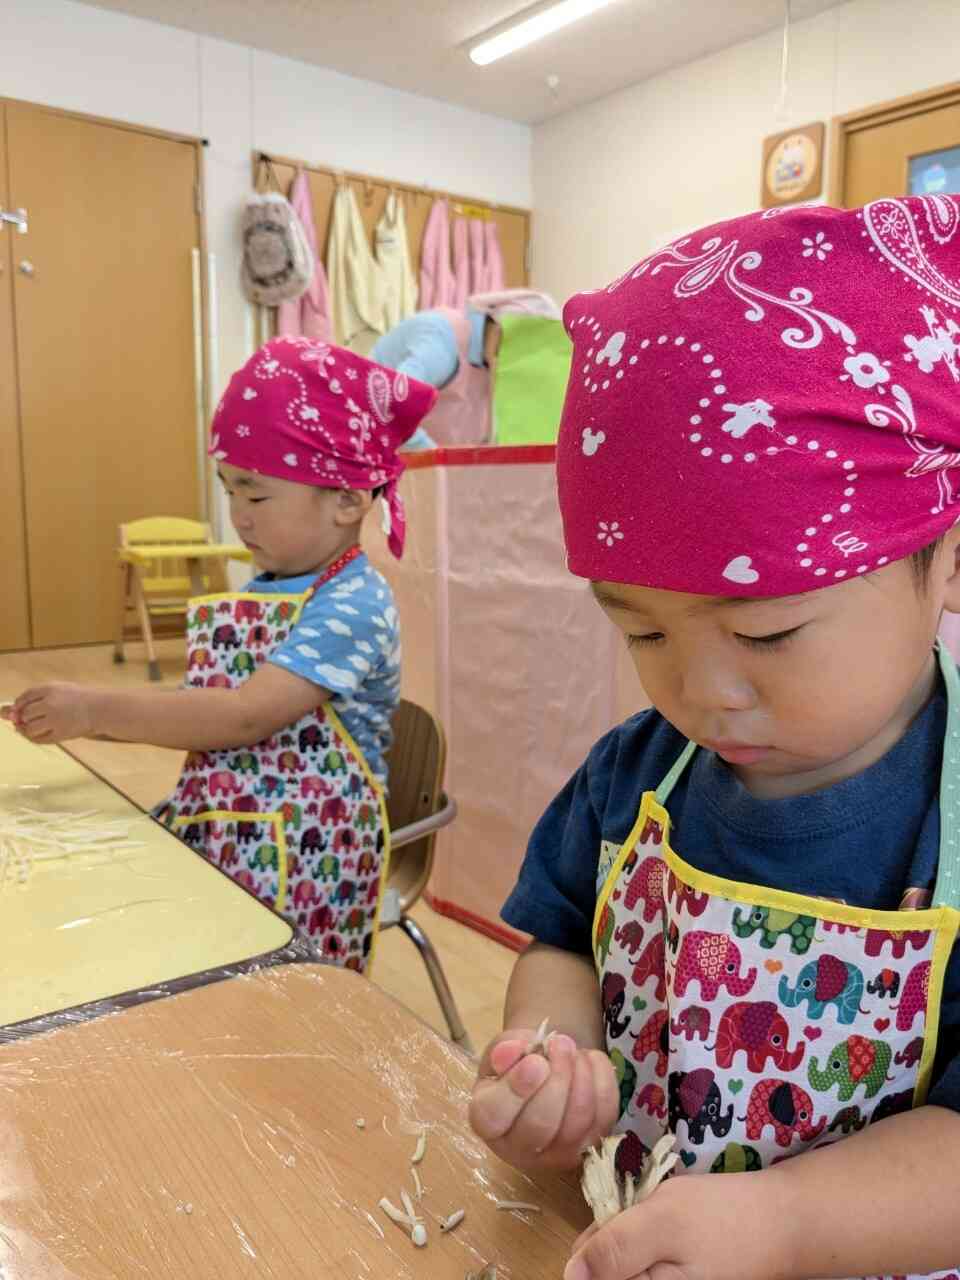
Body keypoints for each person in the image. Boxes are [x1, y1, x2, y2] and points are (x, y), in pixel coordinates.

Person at [468, 196, 960, 1280]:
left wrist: (785, 1224)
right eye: (641, 628)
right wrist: (555, 1056)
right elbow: (559, 942)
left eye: (768, 630)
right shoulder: (634, 775)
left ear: (948, 558)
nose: (702, 690)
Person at [3, 337, 436, 971]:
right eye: (228, 489)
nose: (238, 515)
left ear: (347, 500)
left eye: (256, 495)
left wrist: (93, 710)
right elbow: (201, 710)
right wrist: (83, 718)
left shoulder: (354, 605)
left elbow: (242, 718)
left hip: (308, 860)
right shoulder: (269, 585)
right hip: (228, 823)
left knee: (282, 1002)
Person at [371, 288, 560, 449]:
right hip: (367, 440)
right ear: (498, 325)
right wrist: (438, 460)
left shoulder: (490, 369)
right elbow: (394, 403)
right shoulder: (443, 339)